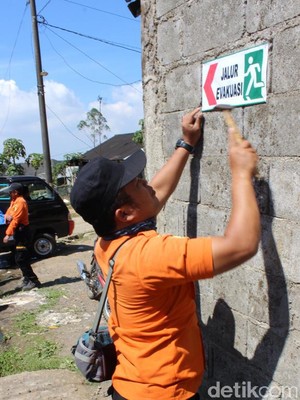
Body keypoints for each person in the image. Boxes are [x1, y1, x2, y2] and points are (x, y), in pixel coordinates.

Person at [70, 107, 261, 400]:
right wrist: (240, 173)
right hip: (165, 394)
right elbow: (241, 244)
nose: (147, 181)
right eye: (138, 183)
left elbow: (152, 196)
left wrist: (185, 144)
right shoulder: (150, 255)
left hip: (132, 384)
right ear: (125, 213)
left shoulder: (106, 242)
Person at [3, 182, 41, 290]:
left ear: (16, 192)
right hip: (18, 233)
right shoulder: (14, 201)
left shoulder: (21, 202)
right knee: (18, 257)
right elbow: (8, 213)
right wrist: (7, 216)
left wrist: (7, 234)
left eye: (11, 191)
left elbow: (15, 220)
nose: (9, 193)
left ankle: (34, 280)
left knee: (21, 258)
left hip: (23, 232)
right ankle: (27, 278)